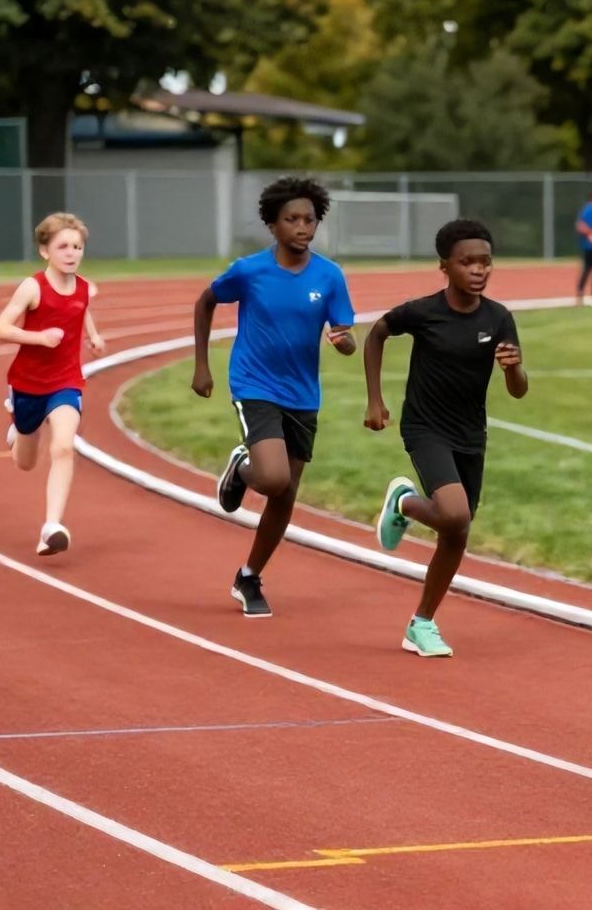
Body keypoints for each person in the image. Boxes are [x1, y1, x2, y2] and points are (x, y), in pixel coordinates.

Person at [193, 177, 357, 618]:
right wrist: (202, 365)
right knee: (273, 478)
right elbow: (206, 302)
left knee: (285, 495)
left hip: (303, 394)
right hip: (254, 385)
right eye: (292, 219)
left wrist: (344, 344)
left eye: (310, 219)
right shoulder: (249, 271)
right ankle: (243, 469)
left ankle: (249, 576)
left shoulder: (330, 275)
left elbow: (345, 335)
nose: (303, 227)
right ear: (272, 224)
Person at [365, 219, 527, 658]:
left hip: (470, 433)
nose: (479, 270)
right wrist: (375, 400)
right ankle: (404, 502)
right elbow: (377, 333)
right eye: (467, 262)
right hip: (425, 427)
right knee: (454, 515)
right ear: (445, 267)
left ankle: (421, 623)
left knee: (457, 533)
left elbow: (518, 390)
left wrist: (513, 367)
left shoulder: (498, 318)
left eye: (486, 262)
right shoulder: (423, 312)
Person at [0, 213, 107, 556]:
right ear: (45, 251)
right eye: (63, 247)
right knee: (25, 462)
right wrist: (39, 337)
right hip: (27, 384)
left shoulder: (85, 287)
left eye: (77, 247)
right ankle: (17, 425)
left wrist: (94, 336)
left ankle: (51, 526)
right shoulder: (32, 287)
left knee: (64, 447)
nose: (71, 253)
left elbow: (80, 308)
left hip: (66, 381)